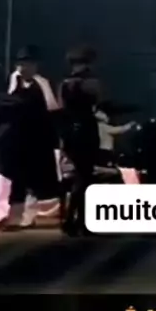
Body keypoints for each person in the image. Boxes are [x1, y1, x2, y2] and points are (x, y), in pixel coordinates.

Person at [0, 45, 60, 230]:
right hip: (10, 138)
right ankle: (1, 215)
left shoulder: (42, 83)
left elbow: (52, 108)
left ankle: (26, 216)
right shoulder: (10, 81)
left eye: (29, 64)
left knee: (33, 177)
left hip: (34, 138)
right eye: (22, 64)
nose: (25, 68)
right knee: (5, 176)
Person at [58, 46, 102, 236]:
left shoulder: (64, 84)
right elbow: (97, 102)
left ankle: (74, 220)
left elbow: (61, 110)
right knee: (85, 177)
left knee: (81, 177)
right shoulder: (90, 82)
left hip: (70, 132)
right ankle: (77, 220)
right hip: (86, 131)